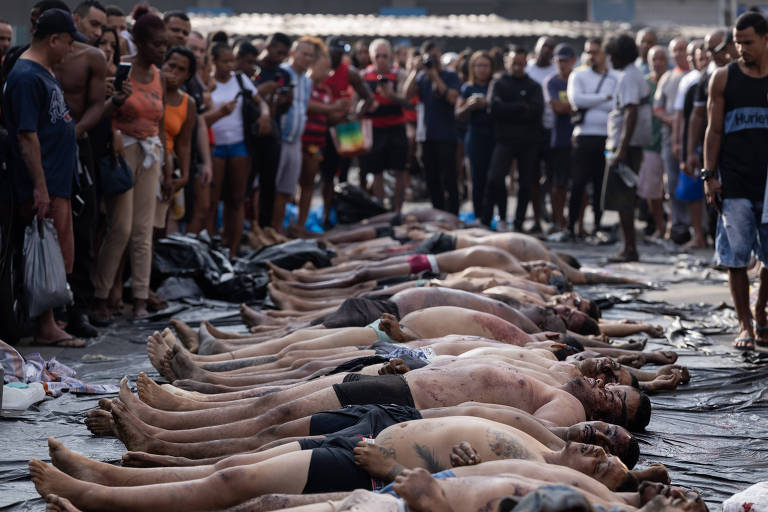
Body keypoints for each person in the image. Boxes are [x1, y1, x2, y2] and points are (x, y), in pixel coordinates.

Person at [4, 9, 88, 348]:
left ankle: (52, 321)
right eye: (67, 43)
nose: (69, 51)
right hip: (44, 182)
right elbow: (27, 136)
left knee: (58, 251)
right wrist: (39, 186)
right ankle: (45, 324)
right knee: (47, 253)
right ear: (53, 39)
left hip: (58, 179)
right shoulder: (25, 75)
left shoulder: (43, 73)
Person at [91, 7, 169, 320]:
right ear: (139, 43)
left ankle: (138, 297)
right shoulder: (121, 70)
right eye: (156, 44)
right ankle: (100, 296)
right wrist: (113, 132)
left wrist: (167, 163)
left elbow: (160, 122)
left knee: (143, 231)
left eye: (164, 44)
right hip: (123, 154)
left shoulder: (159, 77)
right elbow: (105, 111)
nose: (162, 49)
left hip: (152, 155)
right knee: (119, 229)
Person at [702, 12, 768, 350]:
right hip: (735, 180)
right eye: (737, 42)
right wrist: (709, 175)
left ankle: (761, 310)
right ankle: (744, 325)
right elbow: (712, 131)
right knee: (736, 257)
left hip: (767, 182)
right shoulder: (723, 78)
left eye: (748, 42)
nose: (741, 48)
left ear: (766, 39)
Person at [202, 43, 270, 256]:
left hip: (239, 144)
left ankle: (232, 250)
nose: (230, 66)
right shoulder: (208, 85)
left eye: (232, 61)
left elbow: (261, 102)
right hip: (215, 146)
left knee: (237, 199)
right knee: (212, 203)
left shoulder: (240, 80)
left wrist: (265, 115)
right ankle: (211, 249)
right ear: (213, 61)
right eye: (225, 61)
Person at [602, 33, 652, 263]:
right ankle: (628, 246)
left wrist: (621, 149)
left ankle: (629, 248)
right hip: (626, 144)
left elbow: (631, 112)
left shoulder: (629, 77)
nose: (609, 59)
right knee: (622, 198)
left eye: (612, 55)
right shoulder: (628, 74)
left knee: (624, 198)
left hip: (627, 146)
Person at [482, 45, 543, 231]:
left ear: (526, 64)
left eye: (521, 64)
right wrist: (520, 107)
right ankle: (490, 219)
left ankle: (518, 223)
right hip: (504, 140)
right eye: (514, 63)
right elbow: (494, 109)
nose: (517, 67)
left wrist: (509, 108)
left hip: (527, 142)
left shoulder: (533, 86)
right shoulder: (499, 84)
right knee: (495, 179)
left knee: (525, 184)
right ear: (508, 62)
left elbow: (535, 111)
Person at [319, 36, 373, 226]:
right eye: (335, 52)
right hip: (322, 128)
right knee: (325, 176)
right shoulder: (319, 71)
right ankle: (326, 214)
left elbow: (368, 98)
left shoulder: (349, 72)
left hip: (344, 128)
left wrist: (356, 115)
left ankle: (341, 214)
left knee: (343, 175)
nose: (338, 55)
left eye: (341, 53)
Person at [567, 38, 617, 238]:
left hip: (605, 137)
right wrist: (603, 98)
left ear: (604, 55)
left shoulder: (614, 78)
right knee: (578, 183)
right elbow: (576, 99)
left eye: (595, 52)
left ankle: (597, 225)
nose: (591, 56)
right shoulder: (577, 76)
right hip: (583, 137)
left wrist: (592, 100)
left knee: (600, 185)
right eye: (588, 52)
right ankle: (571, 226)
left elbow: (614, 105)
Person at [404, 40, 461, 214]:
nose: (433, 60)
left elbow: (451, 98)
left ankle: (453, 214)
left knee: (449, 179)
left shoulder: (450, 76)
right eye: (430, 57)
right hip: (426, 136)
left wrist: (434, 75)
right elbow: (406, 95)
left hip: (446, 135)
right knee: (431, 178)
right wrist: (415, 70)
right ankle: (438, 213)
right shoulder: (420, 77)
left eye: (435, 56)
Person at [297, 50, 346, 227]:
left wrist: (342, 112)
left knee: (309, 185)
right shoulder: (306, 84)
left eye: (329, 69)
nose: (328, 73)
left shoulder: (325, 89)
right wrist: (331, 108)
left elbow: (328, 116)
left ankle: (301, 224)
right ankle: (291, 222)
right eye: (324, 68)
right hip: (300, 142)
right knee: (295, 185)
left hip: (316, 144)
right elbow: (307, 105)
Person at [360, 38, 409, 211]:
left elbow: (408, 101)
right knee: (376, 172)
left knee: (399, 171)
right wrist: (367, 104)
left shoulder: (400, 74)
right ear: (371, 57)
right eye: (377, 56)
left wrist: (391, 95)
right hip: (374, 129)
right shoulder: (363, 76)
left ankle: (398, 210)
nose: (381, 60)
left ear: (391, 57)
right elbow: (355, 104)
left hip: (396, 128)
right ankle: (380, 208)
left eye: (384, 56)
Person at [272, 37, 316, 231]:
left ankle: (278, 230)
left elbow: (303, 108)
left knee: (286, 190)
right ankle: (269, 229)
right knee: (272, 188)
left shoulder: (307, 81)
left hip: (296, 141)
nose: (307, 58)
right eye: (304, 54)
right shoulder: (282, 74)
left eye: (310, 56)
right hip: (280, 139)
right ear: (293, 54)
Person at [250, 32, 292, 228]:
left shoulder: (284, 74)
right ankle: (247, 227)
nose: (281, 57)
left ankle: (265, 229)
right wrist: (260, 91)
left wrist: (285, 101)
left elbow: (284, 109)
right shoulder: (251, 68)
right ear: (268, 46)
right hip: (250, 134)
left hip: (273, 135)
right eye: (279, 52)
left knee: (269, 185)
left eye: (285, 54)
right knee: (248, 185)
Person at [654, 37, 691, 244]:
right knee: (673, 183)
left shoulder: (696, 75)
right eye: (675, 50)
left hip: (693, 140)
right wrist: (673, 122)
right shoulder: (668, 78)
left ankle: (699, 225)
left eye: (682, 49)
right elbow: (658, 109)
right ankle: (679, 224)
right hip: (670, 139)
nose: (679, 54)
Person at [157, 47, 197, 233]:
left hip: (168, 165)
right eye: (171, 65)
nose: (174, 72)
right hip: (147, 155)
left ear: (188, 76)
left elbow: (184, 143)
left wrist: (185, 175)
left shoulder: (187, 103)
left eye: (181, 69)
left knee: (159, 223)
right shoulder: (151, 88)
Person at [456, 51, 496, 221]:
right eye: (478, 65)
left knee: (494, 178)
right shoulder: (467, 88)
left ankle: (493, 214)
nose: (482, 69)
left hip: (494, 136)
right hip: (475, 136)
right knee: (477, 178)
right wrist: (469, 106)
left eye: (485, 65)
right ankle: (479, 215)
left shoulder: (496, 85)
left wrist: (489, 104)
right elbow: (457, 114)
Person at [525, 36, 557, 234]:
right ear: (536, 48)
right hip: (532, 130)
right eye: (544, 46)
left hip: (553, 129)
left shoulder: (556, 71)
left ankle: (554, 218)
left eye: (550, 47)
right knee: (533, 177)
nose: (547, 50)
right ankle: (536, 219)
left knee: (553, 177)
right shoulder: (528, 70)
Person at [543, 44, 576, 233]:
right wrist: (578, 104)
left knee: (578, 184)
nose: (562, 65)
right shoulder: (552, 82)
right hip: (559, 138)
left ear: (573, 61)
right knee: (558, 183)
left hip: (578, 138)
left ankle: (575, 224)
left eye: (566, 61)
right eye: (559, 61)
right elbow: (557, 107)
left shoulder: (579, 79)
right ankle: (559, 221)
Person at [637, 46, 668, 239]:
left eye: (661, 59)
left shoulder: (673, 80)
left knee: (670, 189)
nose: (657, 63)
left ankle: (674, 227)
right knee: (651, 190)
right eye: (654, 59)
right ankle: (660, 227)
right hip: (648, 143)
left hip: (669, 141)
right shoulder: (643, 84)